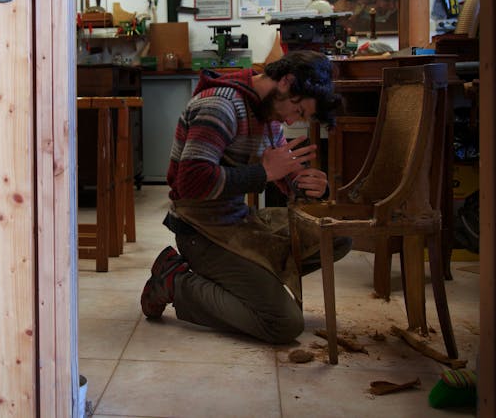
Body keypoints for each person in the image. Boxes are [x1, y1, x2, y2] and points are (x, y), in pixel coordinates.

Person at [140, 50, 349, 344]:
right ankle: (175, 280)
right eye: (298, 111)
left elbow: (280, 170)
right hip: (201, 231)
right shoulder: (220, 105)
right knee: (283, 324)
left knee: (337, 235)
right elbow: (191, 183)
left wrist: (305, 184)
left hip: (238, 221)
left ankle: (252, 280)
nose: (291, 121)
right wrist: (263, 173)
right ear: (287, 82)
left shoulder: (269, 112)